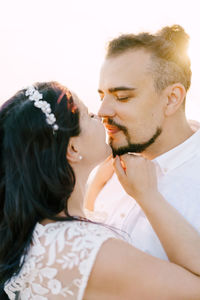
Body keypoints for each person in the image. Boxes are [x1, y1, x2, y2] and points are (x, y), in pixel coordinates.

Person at [1, 82, 200, 300]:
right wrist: (148, 196)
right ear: (73, 149)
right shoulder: (87, 251)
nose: (101, 115)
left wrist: (94, 187)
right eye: (88, 115)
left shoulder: (37, 234)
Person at [85, 24, 200, 260]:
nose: (102, 110)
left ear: (171, 99)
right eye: (102, 96)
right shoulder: (105, 170)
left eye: (122, 97)